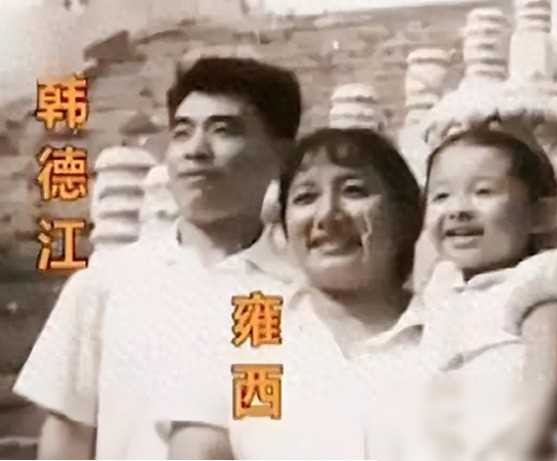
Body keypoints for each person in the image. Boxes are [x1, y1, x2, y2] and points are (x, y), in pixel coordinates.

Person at [13, 56, 302, 459]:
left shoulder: (307, 291)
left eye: (223, 130)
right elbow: (68, 434)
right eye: (182, 132)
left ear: (283, 155)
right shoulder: (106, 282)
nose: (195, 150)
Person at [159, 127, 427, 459]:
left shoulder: (451, 338)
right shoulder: (239, 339)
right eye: (305, 197)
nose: (327, 215)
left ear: (405, 215)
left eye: (353, 191)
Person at [376, 123, 557, 461]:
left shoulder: (539, 285)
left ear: (541, 214)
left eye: (483, 192)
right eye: (441, 196)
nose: (457, 209)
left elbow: (548, 398)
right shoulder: (444, 290)